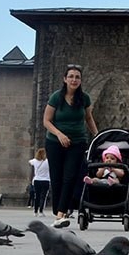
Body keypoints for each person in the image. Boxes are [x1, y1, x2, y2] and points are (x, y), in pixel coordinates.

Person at [43, 64, 98, 229]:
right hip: (55, 142)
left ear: (80, 80)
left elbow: (88, 118)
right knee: (57, 177)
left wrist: (98, 136)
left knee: (70, 177)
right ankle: (58, 212)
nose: (74, 80)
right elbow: (46, 121)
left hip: (77, 142)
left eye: (77, 77)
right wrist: (59, 134)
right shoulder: (56, 97)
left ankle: (60, 214)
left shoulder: (84, 98)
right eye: (71, 76)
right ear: (65, 79)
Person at [29, 148, 51, 218]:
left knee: (37, 196)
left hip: (37, 180)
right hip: (45, 180)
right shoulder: (47, 161)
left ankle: (35, 211)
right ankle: (41, 211)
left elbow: (29, 162)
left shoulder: (34, 161)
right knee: (43, 196)